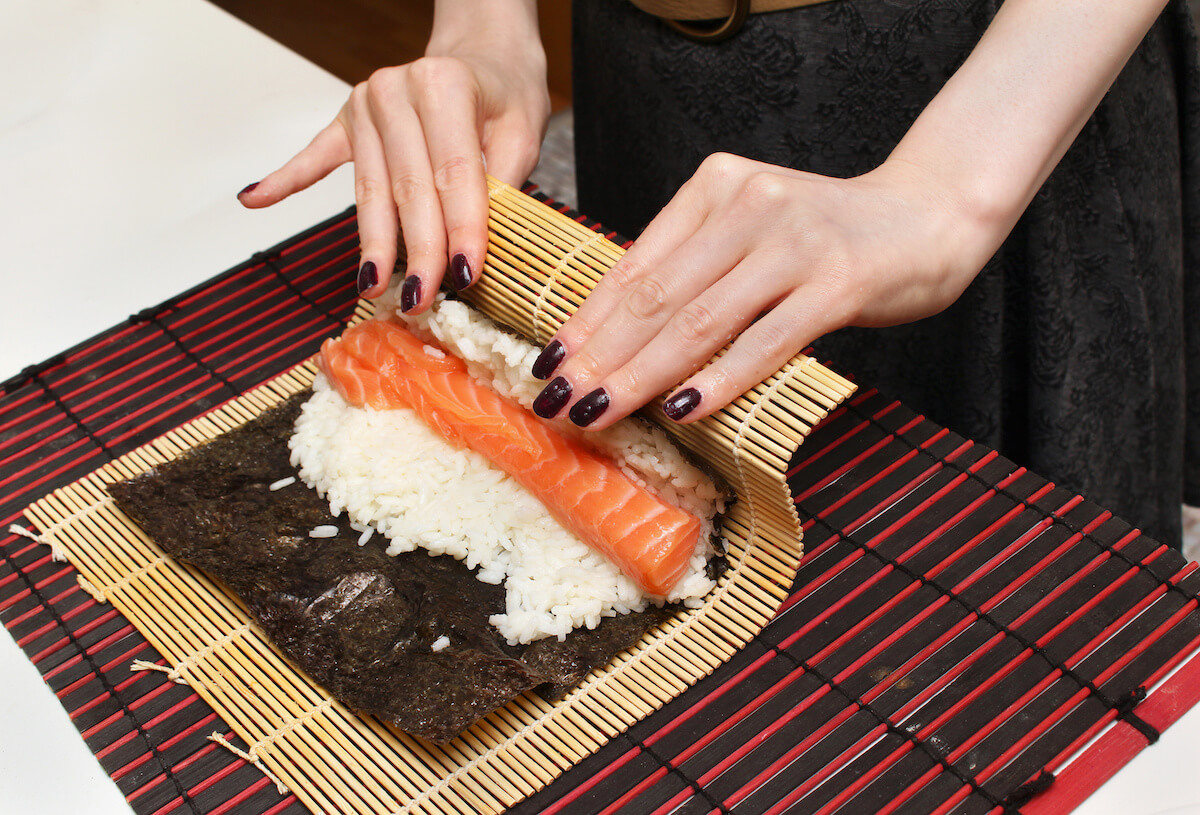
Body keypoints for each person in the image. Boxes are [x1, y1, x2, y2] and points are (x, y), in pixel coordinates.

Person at [238, 0, 1199, 547]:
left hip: (992, 89)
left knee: (992, 613)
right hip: (648, 78)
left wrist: (949, 193)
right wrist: (482, 30)